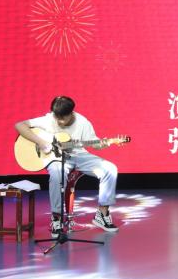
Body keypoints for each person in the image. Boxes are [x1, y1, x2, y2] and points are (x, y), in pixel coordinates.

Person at [14, 96, 119, 234]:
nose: (60, 121)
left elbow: (95, 143)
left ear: (71, 112)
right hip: (57, 159)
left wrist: (106, 142)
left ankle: (102, 213)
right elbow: (19, 125)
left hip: (79, 155)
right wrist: (40, 142)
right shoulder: (48, 119)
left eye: (63, 118)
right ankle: (56, 218)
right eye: (57, 117)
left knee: (110, 169)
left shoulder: (82, 122)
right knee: (57, 173)